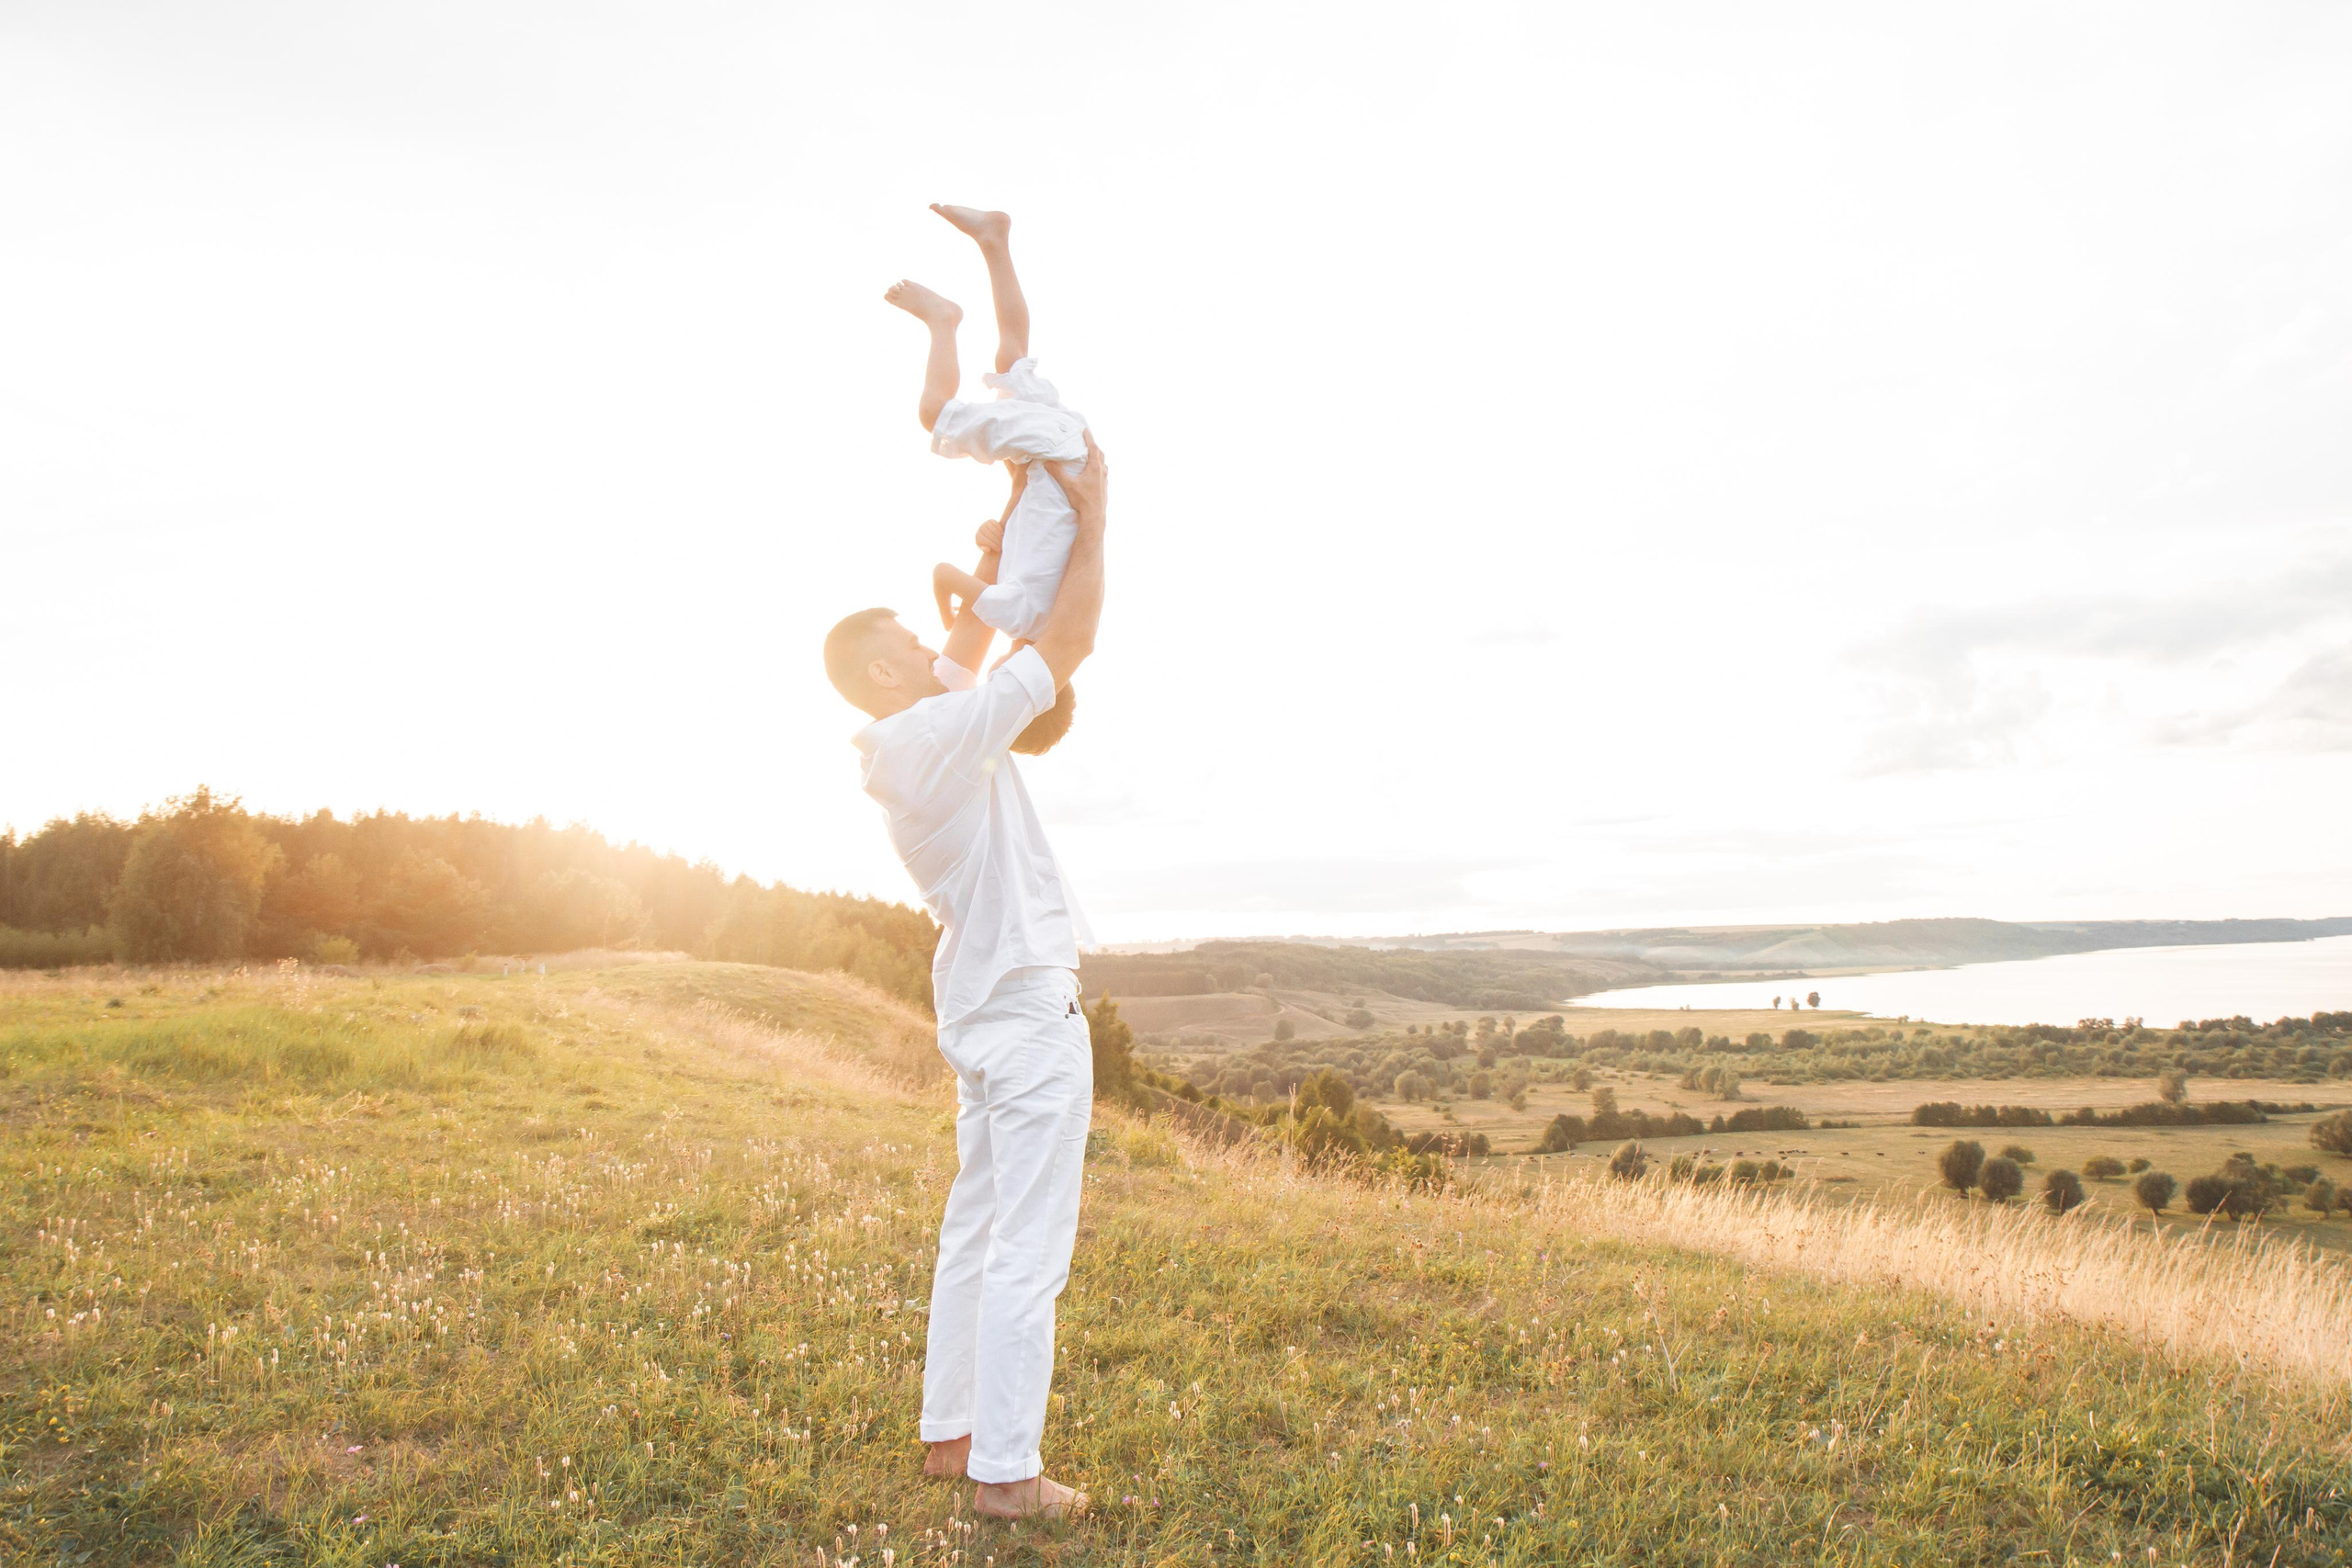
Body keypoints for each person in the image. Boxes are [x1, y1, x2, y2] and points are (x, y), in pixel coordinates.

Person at [820, 428, 1109, 1523]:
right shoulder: (936, 735)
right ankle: (1007, 1478)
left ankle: (953, 1438)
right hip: (1028, 1013)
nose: (931, 646)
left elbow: (957, 657)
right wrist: (1094, 504)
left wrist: (975, 583)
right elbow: (1067, 643)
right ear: (886, 671)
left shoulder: (906, 743)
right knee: (1025, 1249)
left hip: (981, 1016)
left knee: (975, 1230)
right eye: (910, 640)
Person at [884, 205, 1090, 648]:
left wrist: (993, 530)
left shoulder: (1052, 604)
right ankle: (943, 319)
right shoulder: (1024, 623)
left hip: (1062, 450)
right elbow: (944, 575)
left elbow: (1037, 517)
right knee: (935, 415)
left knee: (1012, 358)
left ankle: (995, 241)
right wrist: (948, 609)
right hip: (1056, 455)